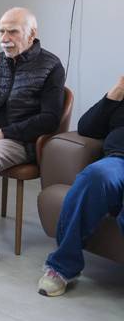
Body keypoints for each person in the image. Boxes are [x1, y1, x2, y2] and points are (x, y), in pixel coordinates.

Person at [0, 7, 66, 268]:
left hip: (22, 141)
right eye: (1, 31)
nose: (4, 38)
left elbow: (50, 119)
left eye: (12, 32)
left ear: (32, 34)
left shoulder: (51, 65)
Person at [38, 76, 124, 297]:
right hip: (117, 162)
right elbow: (87, 127)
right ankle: (62, 266)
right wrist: (114, 94)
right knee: (94, 175)